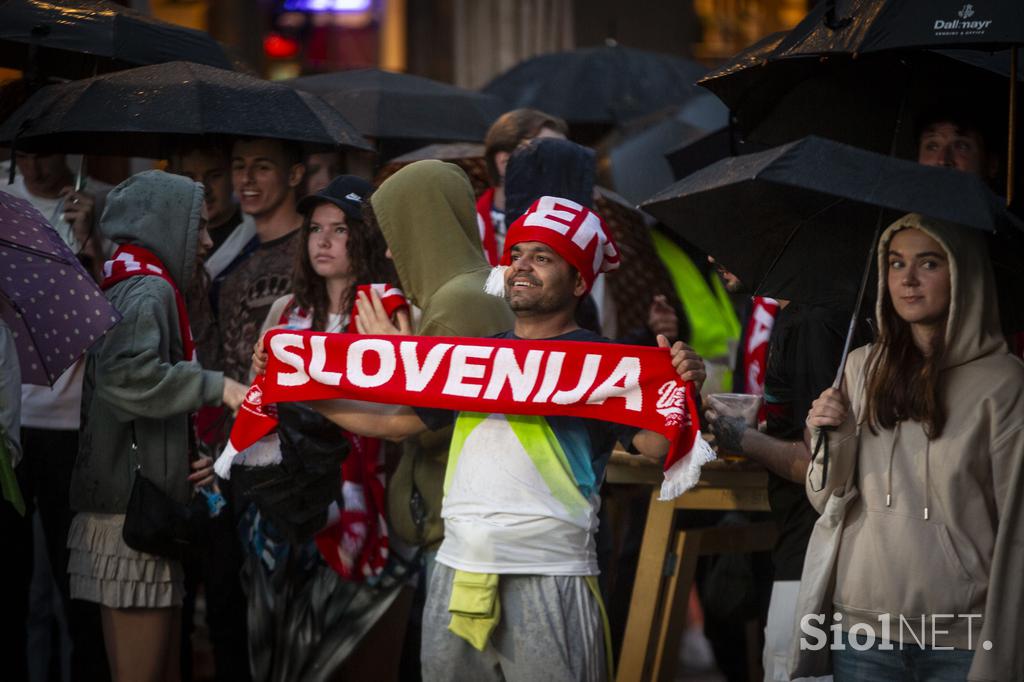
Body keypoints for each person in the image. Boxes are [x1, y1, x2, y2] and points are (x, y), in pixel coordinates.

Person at [256, 195, 707, 681]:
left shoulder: (606, 362)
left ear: (579, 280)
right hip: (455, 568)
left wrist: (687, 388)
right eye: (515, 255)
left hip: (551, 574)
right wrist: (290, 386)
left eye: (543, 257)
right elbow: (390, 424)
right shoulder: (474, 357)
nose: (521, 268)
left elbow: (657, 447)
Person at [805, 213, 1024, 681]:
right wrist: (830, 433)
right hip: (861, 631)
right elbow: (825, 498)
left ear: (964, 274)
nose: (907, 279)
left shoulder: (1004, 383)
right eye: (895, 263)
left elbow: (1017, 533)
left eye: (928, 263)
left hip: (963, 638)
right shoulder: (862, 366)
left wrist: (1003, 652)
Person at [67, 170, 246, 682]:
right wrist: (218, 386)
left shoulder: (132, 280)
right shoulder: (148, 291)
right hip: (130, 522)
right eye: (199, 229)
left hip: (138, 512)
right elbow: (126, 379)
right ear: (164, 226)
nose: (207, 243)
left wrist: (182, 454)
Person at [2, 150, 114, 680]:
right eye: (25, 151)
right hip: (13, 424)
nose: (36, 166)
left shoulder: (97, 202)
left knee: (77, 586)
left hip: (72, 425)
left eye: (46, 152)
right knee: (19, 585)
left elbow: (111, 320)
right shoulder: (5, 204)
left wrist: (91, 237)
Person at [216, 137, 306, 385]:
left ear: (294, 175)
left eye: (262, 167)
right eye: (238, 167)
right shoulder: (233, 263)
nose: (247, 179)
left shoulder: (318, 253)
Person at [478, 109, 569, 265]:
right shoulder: (464, 229)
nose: (558, 165)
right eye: (546, 153)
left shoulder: (574, 229)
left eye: (564, 156)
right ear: (505, 162)